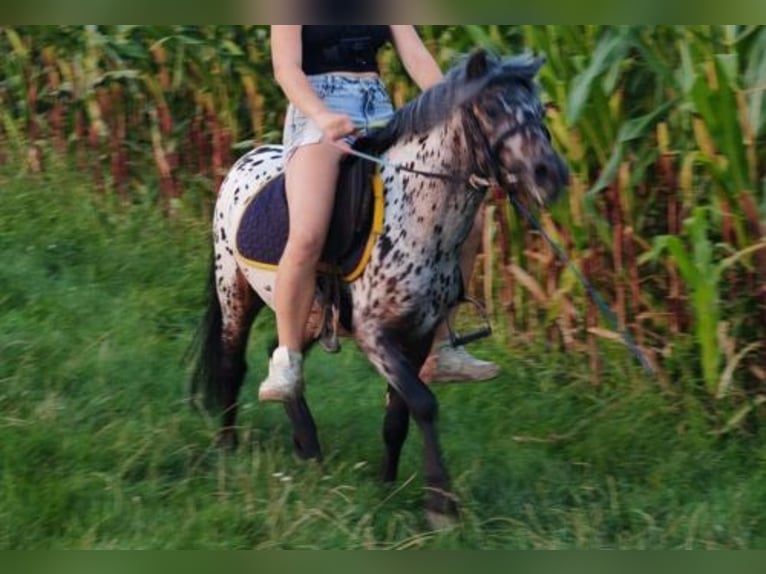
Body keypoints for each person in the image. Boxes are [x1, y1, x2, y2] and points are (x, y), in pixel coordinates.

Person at [259, 25, 499, 403]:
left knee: (468, 227)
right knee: (307, 234)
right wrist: (322, 116)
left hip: (380, 112)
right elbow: (286, 69)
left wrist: (457, 109)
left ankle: (443, 345)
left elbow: (415, 55)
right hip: (318, 113)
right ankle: (286, 358)